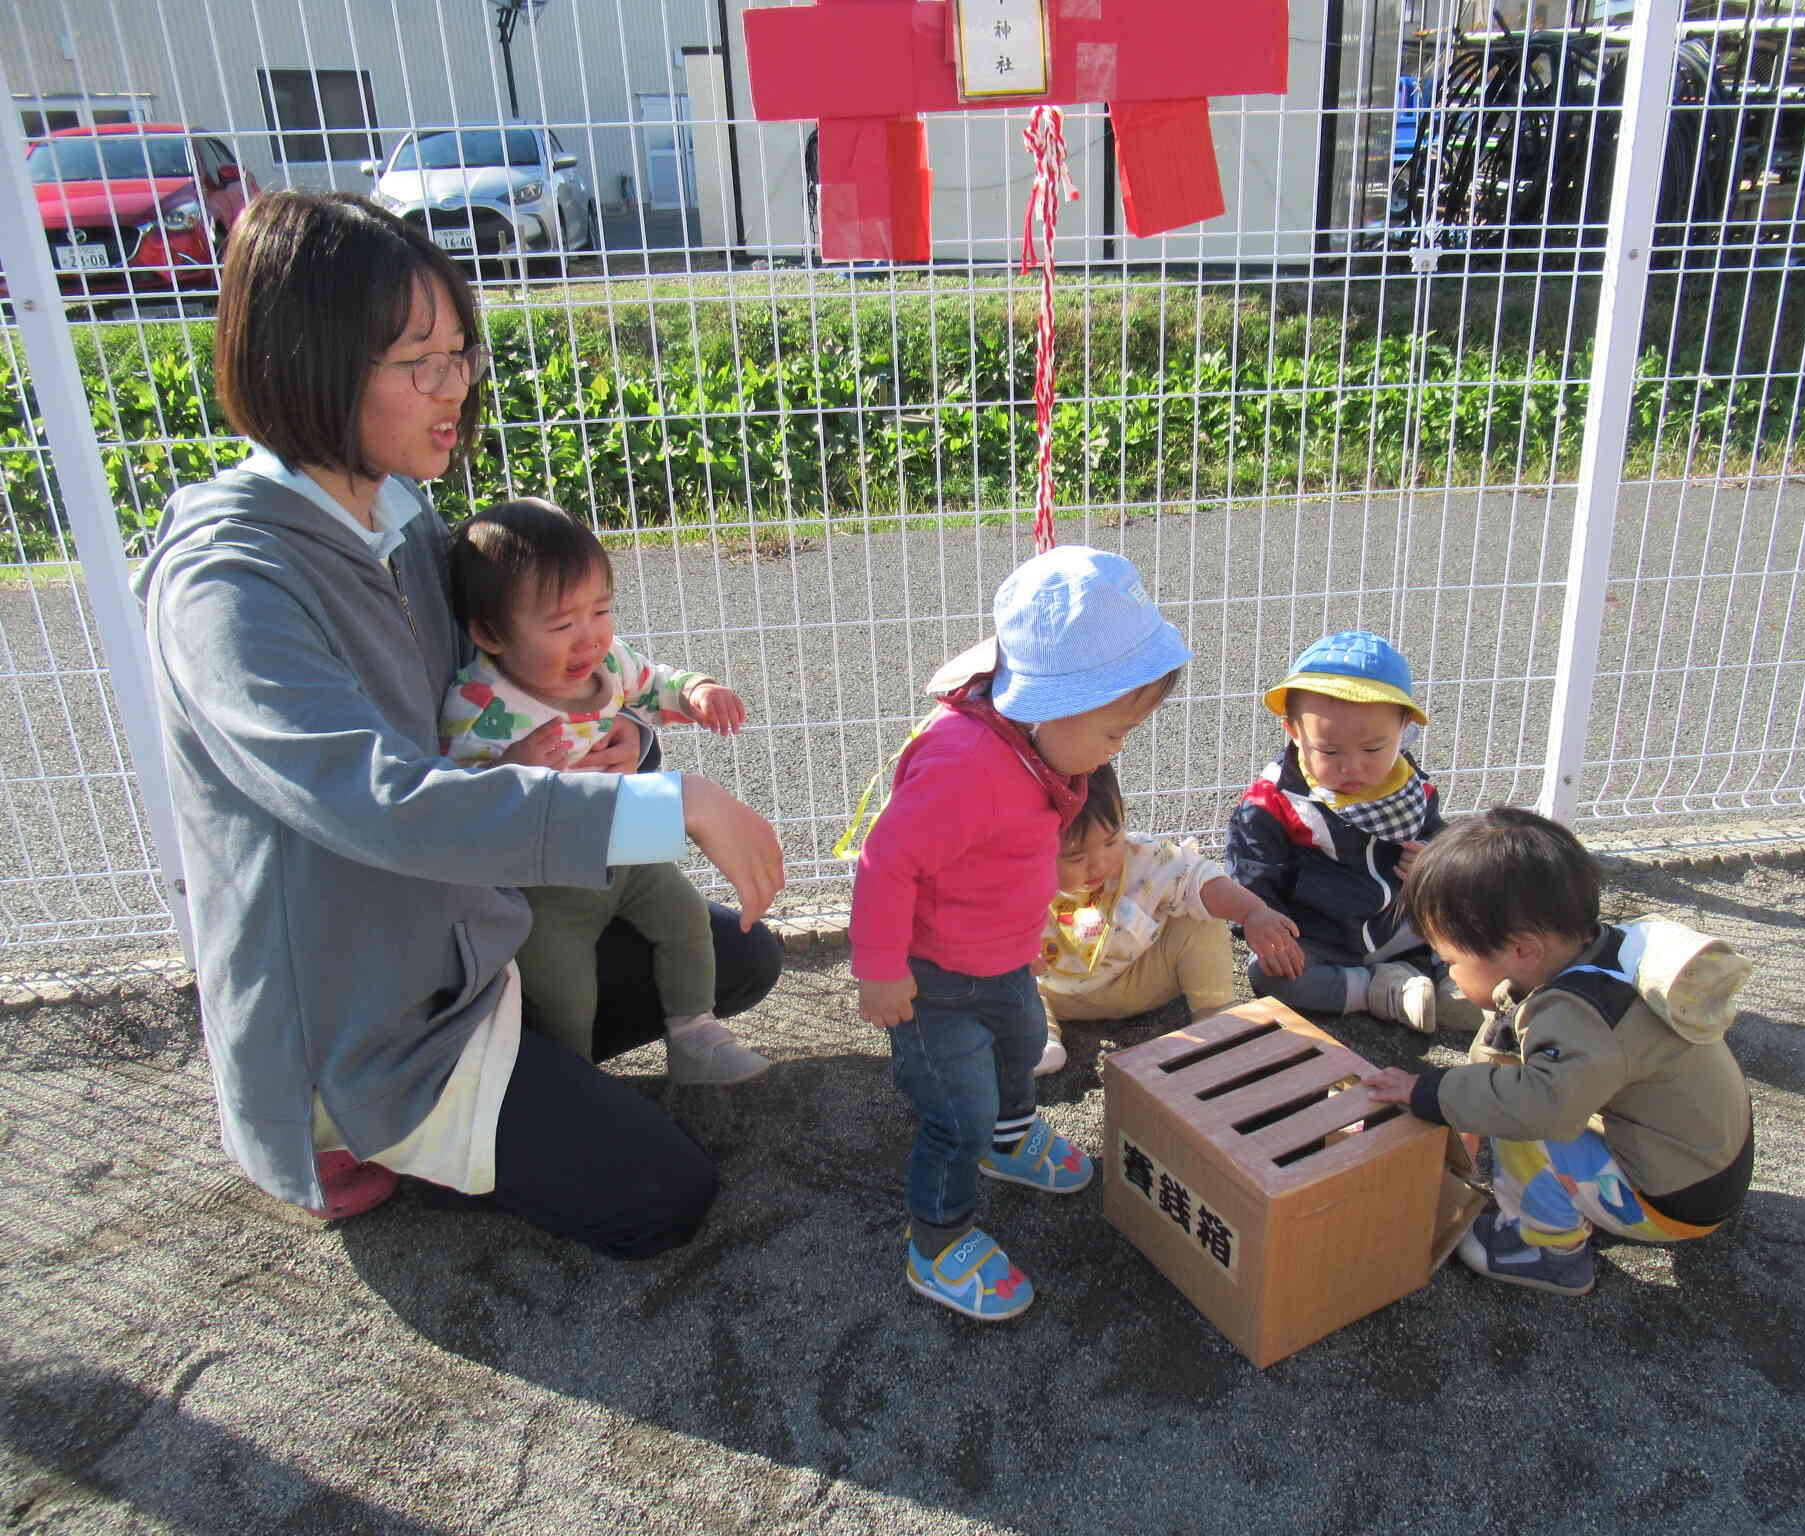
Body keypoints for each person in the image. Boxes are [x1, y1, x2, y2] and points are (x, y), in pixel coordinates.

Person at [133, 190, 784, 1259]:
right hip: (369, 1029)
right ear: (313, 364)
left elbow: (532, 687)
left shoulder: (399, 519)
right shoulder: (229, 582)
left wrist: (631, 744)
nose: (455, 390)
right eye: (418, 364)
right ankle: (358, 1142)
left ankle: (523, 1092)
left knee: (734, 963)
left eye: (460, 355)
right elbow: (382, 804)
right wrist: (664, 807)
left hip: (468, 946)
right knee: (663, 1197)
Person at [850, 546, 1189, 1321]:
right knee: (954, 1112)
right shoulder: (968, 767)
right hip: (933, 979)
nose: (1118, 749)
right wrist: (877, 968)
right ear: (1049, 703)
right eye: (1113, 730)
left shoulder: (1031, 747)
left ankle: (1011, 1139)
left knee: (1019, 1048)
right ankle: (938, 1240)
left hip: (1002, 960)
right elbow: (884, 862)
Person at [1362, 808, 1756, 1296]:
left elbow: (1539, 1105)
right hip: (1703, 1163)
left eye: (1452, 962)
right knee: (1507, 1096)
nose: (1451, 977)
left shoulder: (1579, 1015)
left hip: (1674, 1200)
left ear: (1523, 950)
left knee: (1524, 1125)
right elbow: (1506, 1033)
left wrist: (1430, 1092)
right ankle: (1584, 1197)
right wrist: (1459, 1111)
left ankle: (1549, 1252)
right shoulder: (1590, 954)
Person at [440, 496, 767, 1084]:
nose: (588, 638)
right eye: (563, 624)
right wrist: (512, 764)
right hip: (547, 887)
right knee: (564, 989)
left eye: (601, 611)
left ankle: (694, 1032)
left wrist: (697, 690)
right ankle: (577, 1079)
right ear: (489, 632)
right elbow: (456, 797)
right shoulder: (481, 702)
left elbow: (653, 682)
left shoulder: (608, 664)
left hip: (629, 857)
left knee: (687, 922)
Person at [1226, 630, 1477, 1034]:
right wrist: (1262, 921)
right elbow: (1253, 874)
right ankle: (1376, 990)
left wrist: (1434, 854)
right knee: (1269, 977)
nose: (1352, 766)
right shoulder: (1271, 802)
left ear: (1404, 729)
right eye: (1329, 751)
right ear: (1293, 731)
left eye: (1374, 749)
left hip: (1400, 920)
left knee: (1471, 895)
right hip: (1322, 935)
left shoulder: (1408, 784)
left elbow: (1436, 832)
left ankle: (1454, 981)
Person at [1032, 763, 1302, 1075]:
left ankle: (1215, 1009)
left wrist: (1252, 912)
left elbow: (1197, 876)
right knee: (1006, 978)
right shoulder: (1015, 877)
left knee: (1200, 911)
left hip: (1136, 981)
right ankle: (1038, 1037)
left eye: (1111, 841)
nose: (1099, 864)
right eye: (1075, 857)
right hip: (1055, 993)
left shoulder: (1144, 857)